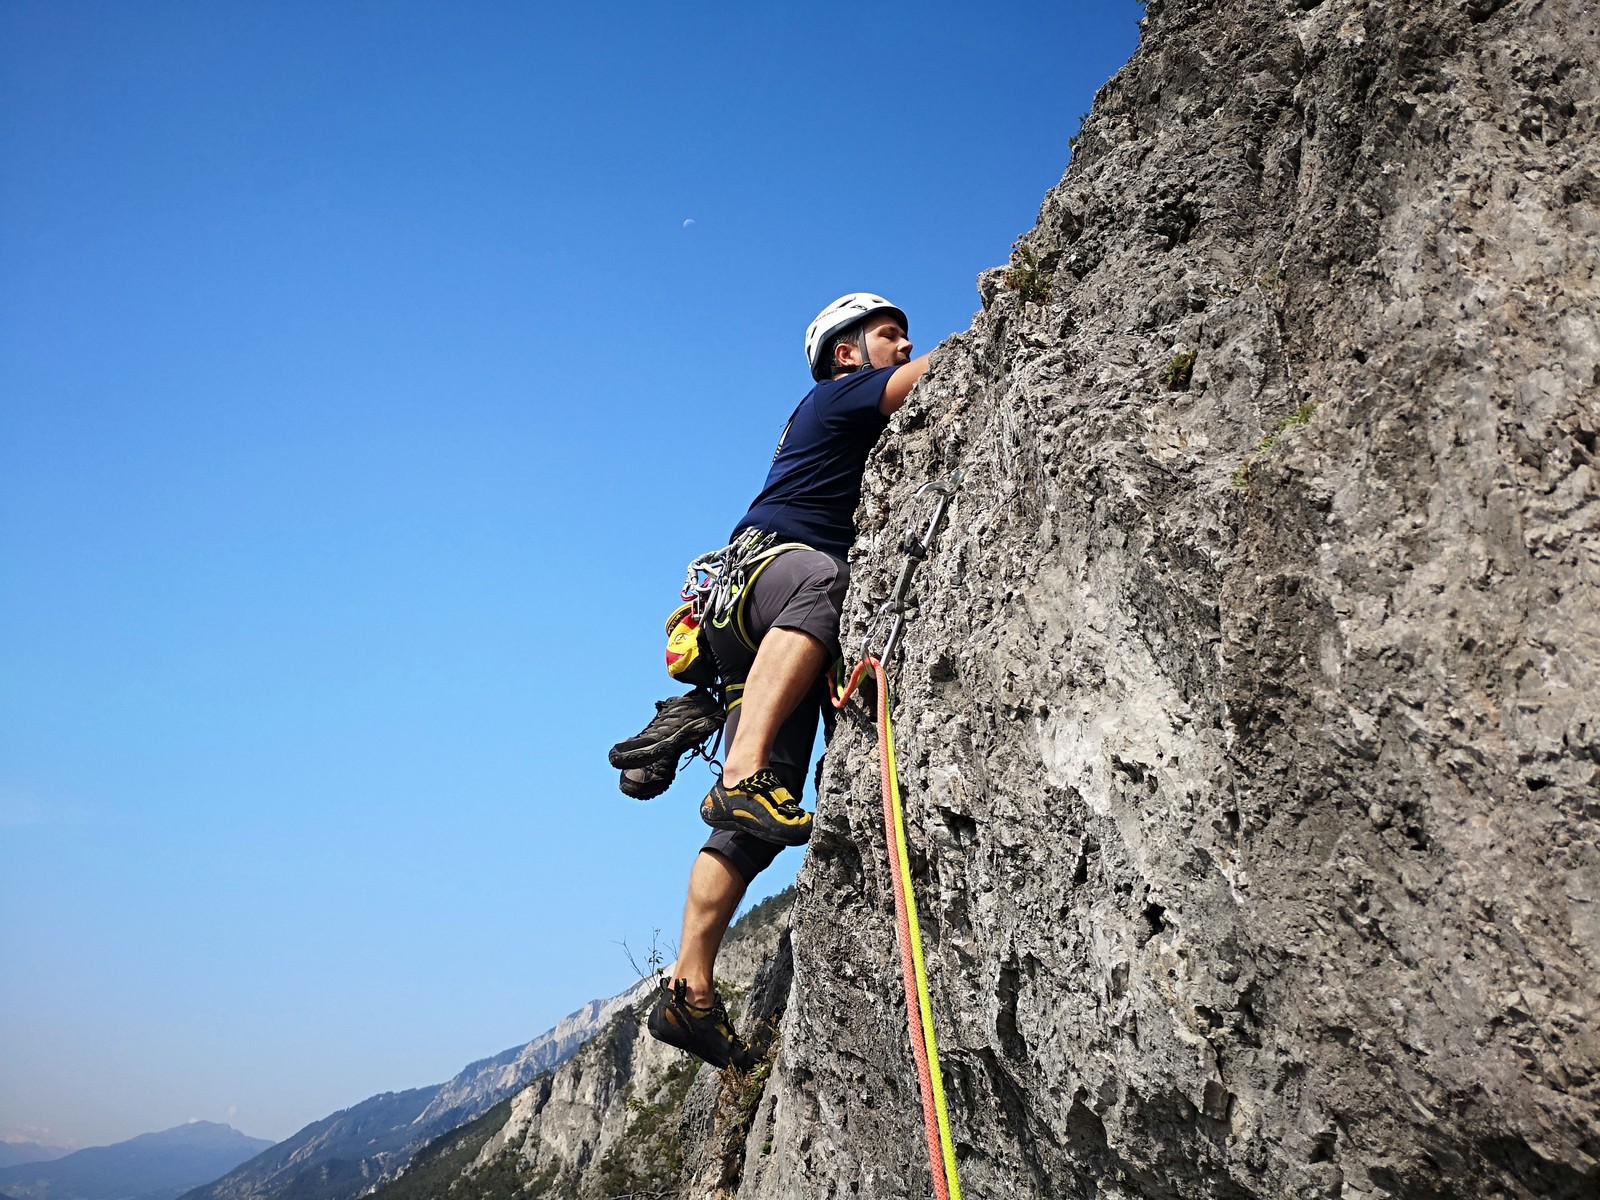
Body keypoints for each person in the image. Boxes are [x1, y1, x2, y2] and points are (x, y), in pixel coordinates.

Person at [642, 293, 932, 1069]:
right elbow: (935, 378)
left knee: (757, 824)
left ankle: (689, 989)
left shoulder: (832, 408)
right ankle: (739, 771)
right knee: (823, 579)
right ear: (847, 353)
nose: (903, 345)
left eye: (906, 336)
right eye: (888, 335)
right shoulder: (839, 396)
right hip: (775, 575)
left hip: (746, 625)